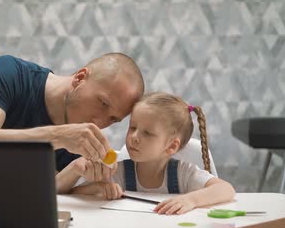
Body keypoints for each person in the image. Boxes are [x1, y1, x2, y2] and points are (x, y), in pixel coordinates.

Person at [0, 53, 145, 175]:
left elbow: (52, 189)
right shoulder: (11, 72)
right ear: (80, 78)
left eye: (113, 119)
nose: (100, 122)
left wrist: (86, 177)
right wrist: (57, 136)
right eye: (102, 103)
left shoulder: (78, 143)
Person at [57, 92, 236, 215]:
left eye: (147, 133)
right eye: (132, 127)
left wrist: (191, 200)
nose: (134, 137)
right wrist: (99, 189)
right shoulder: (118, 171)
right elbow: (75, 194)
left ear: (171, 147)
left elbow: (226, 189)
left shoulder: (184, 173)